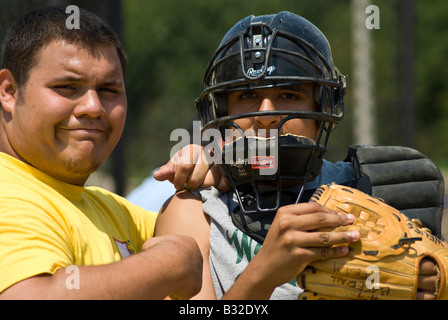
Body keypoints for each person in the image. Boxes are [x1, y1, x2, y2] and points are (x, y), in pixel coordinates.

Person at [154, 11, 442, 299]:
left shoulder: (377, 191)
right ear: (221, 111)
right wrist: (264, 273)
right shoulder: (198, 212)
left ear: (322, 109)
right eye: (247, 96)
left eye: (289, 95)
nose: (265, 114)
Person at [0, 6, 202, 299]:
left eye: (108, 90)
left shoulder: (113, 211)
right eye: (67, 86)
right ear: (9, 90)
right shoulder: (8, 196)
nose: (93, 107)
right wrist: (166, 265)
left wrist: (213, 175)